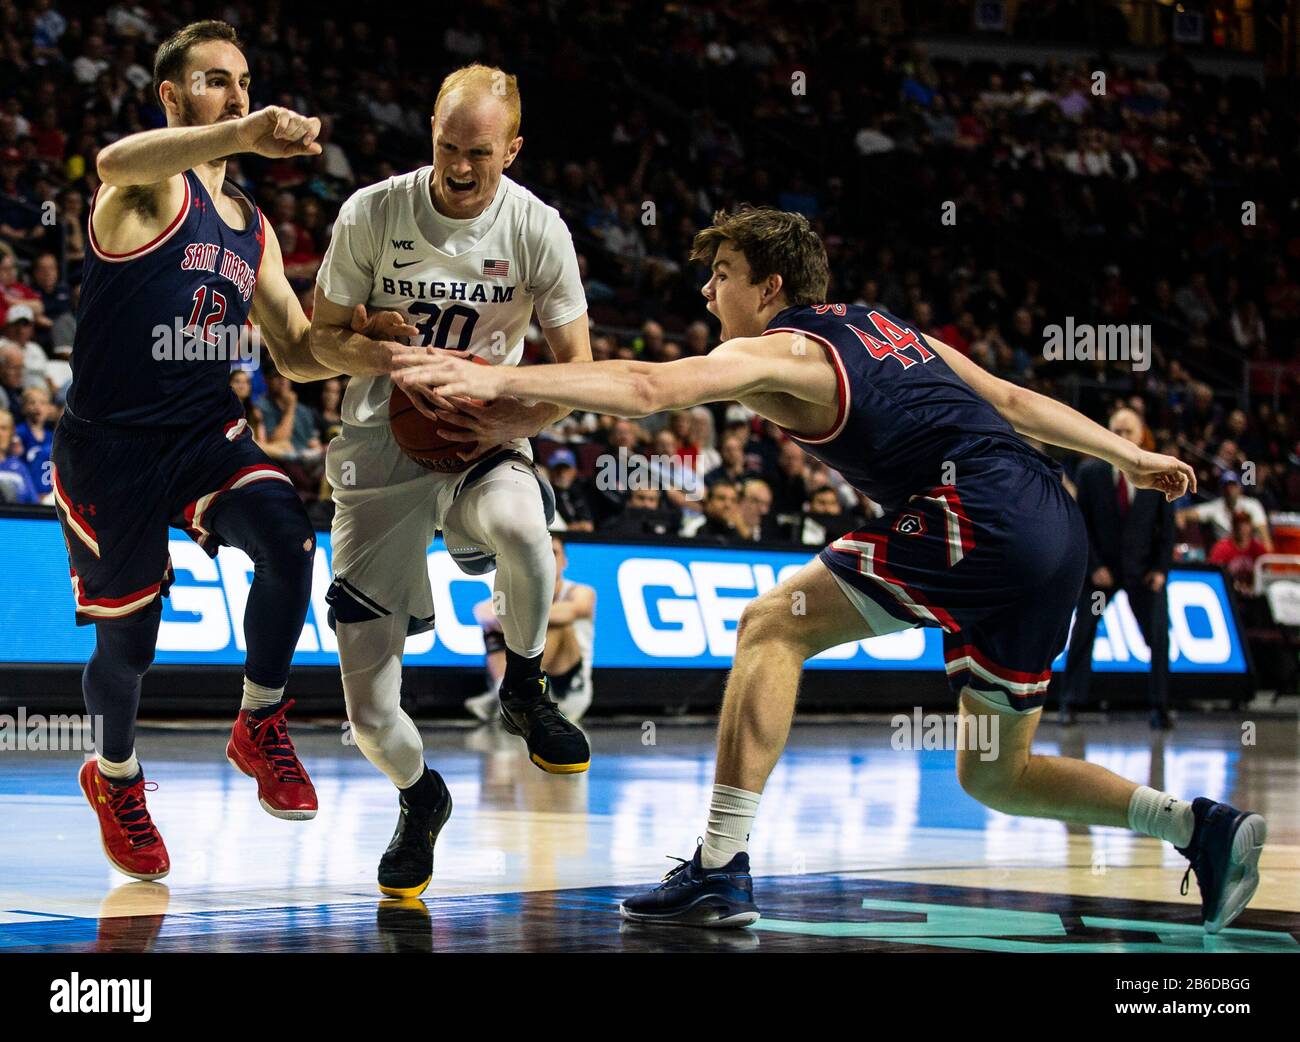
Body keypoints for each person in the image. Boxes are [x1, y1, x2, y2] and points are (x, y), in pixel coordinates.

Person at [396, 205, 1266, 935]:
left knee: (770, 625)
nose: (708, 291)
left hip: (983, 515)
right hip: (1052, 526)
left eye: (723, 272)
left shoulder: (782, 351)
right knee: (992, 771)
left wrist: (494, 386)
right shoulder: (885, 326)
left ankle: (721, 865)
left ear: (770, 287)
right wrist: (1128, 456)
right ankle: (1198, 826)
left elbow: (653, 389)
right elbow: (1008, 399)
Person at [49, 20, 407, 882]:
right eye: (215, 80)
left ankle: (260, 720)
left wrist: (383, 348)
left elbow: (293, 350)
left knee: (288, 539)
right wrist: (241, 135)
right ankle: (116, 774)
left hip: (206, 434)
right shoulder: (140, 194)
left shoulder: (254, 227)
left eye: (243, 81)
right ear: (174, 96)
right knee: (128, 650)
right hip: (111, 449)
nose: (238, 94)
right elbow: (110, 161)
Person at [308, 62, 593, 899]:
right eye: (446, 148)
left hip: (480, 435)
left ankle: (529, 685)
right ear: (428, 135)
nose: (461, 169)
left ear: (513, 147)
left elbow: (577, 369)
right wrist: (383, 348)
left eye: (481, 153)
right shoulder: (372, 212)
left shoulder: (540, 229)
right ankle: (420, 796)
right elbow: (321, 342)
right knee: (368, 713)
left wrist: (516, 421)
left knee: (524, 533)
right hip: (379, 446)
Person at [1059, 407, 1175, 730]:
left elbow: (1167, 531)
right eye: (1116, 431)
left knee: (1158, 637)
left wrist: (1160, 571)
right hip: (1103, 571)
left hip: (1142, 573)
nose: (1122, 437)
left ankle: (1160, 708)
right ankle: (1070, 702)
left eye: (1128, 432)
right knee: (1082, 631)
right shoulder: (1090, 472)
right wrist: (1093, 566)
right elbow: (1078, 523)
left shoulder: (1158, 472)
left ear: (1141, 435)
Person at [466, 534, 596, 722]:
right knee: (493, 626)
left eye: (554, 553)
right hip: (534, 687)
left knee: (557, 626)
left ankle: (510, 695)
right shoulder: (519, 591)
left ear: (564, 561)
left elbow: (570, 612)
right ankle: (507, 692)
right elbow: (482, 612)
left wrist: (512, 620)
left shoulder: (581, 592)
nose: (548, 560)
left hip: (568, 692)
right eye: (543, 553)